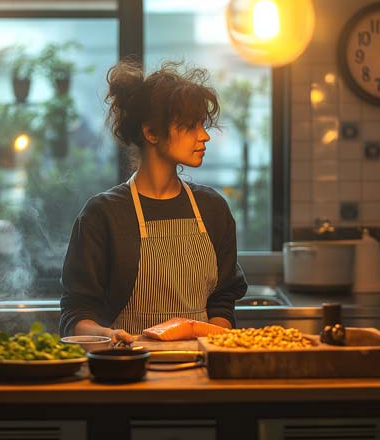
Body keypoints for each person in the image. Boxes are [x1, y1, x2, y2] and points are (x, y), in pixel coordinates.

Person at [59, 59, 248, 344]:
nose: (205, 135)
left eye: (203, 125)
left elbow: (222, 302)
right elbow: (76, 314)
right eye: (191, 126)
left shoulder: (212, 209)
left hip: (201, 371)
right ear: (151, 133)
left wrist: (211, 338)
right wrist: (108, 335)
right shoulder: (103, 215)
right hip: (130, 371)